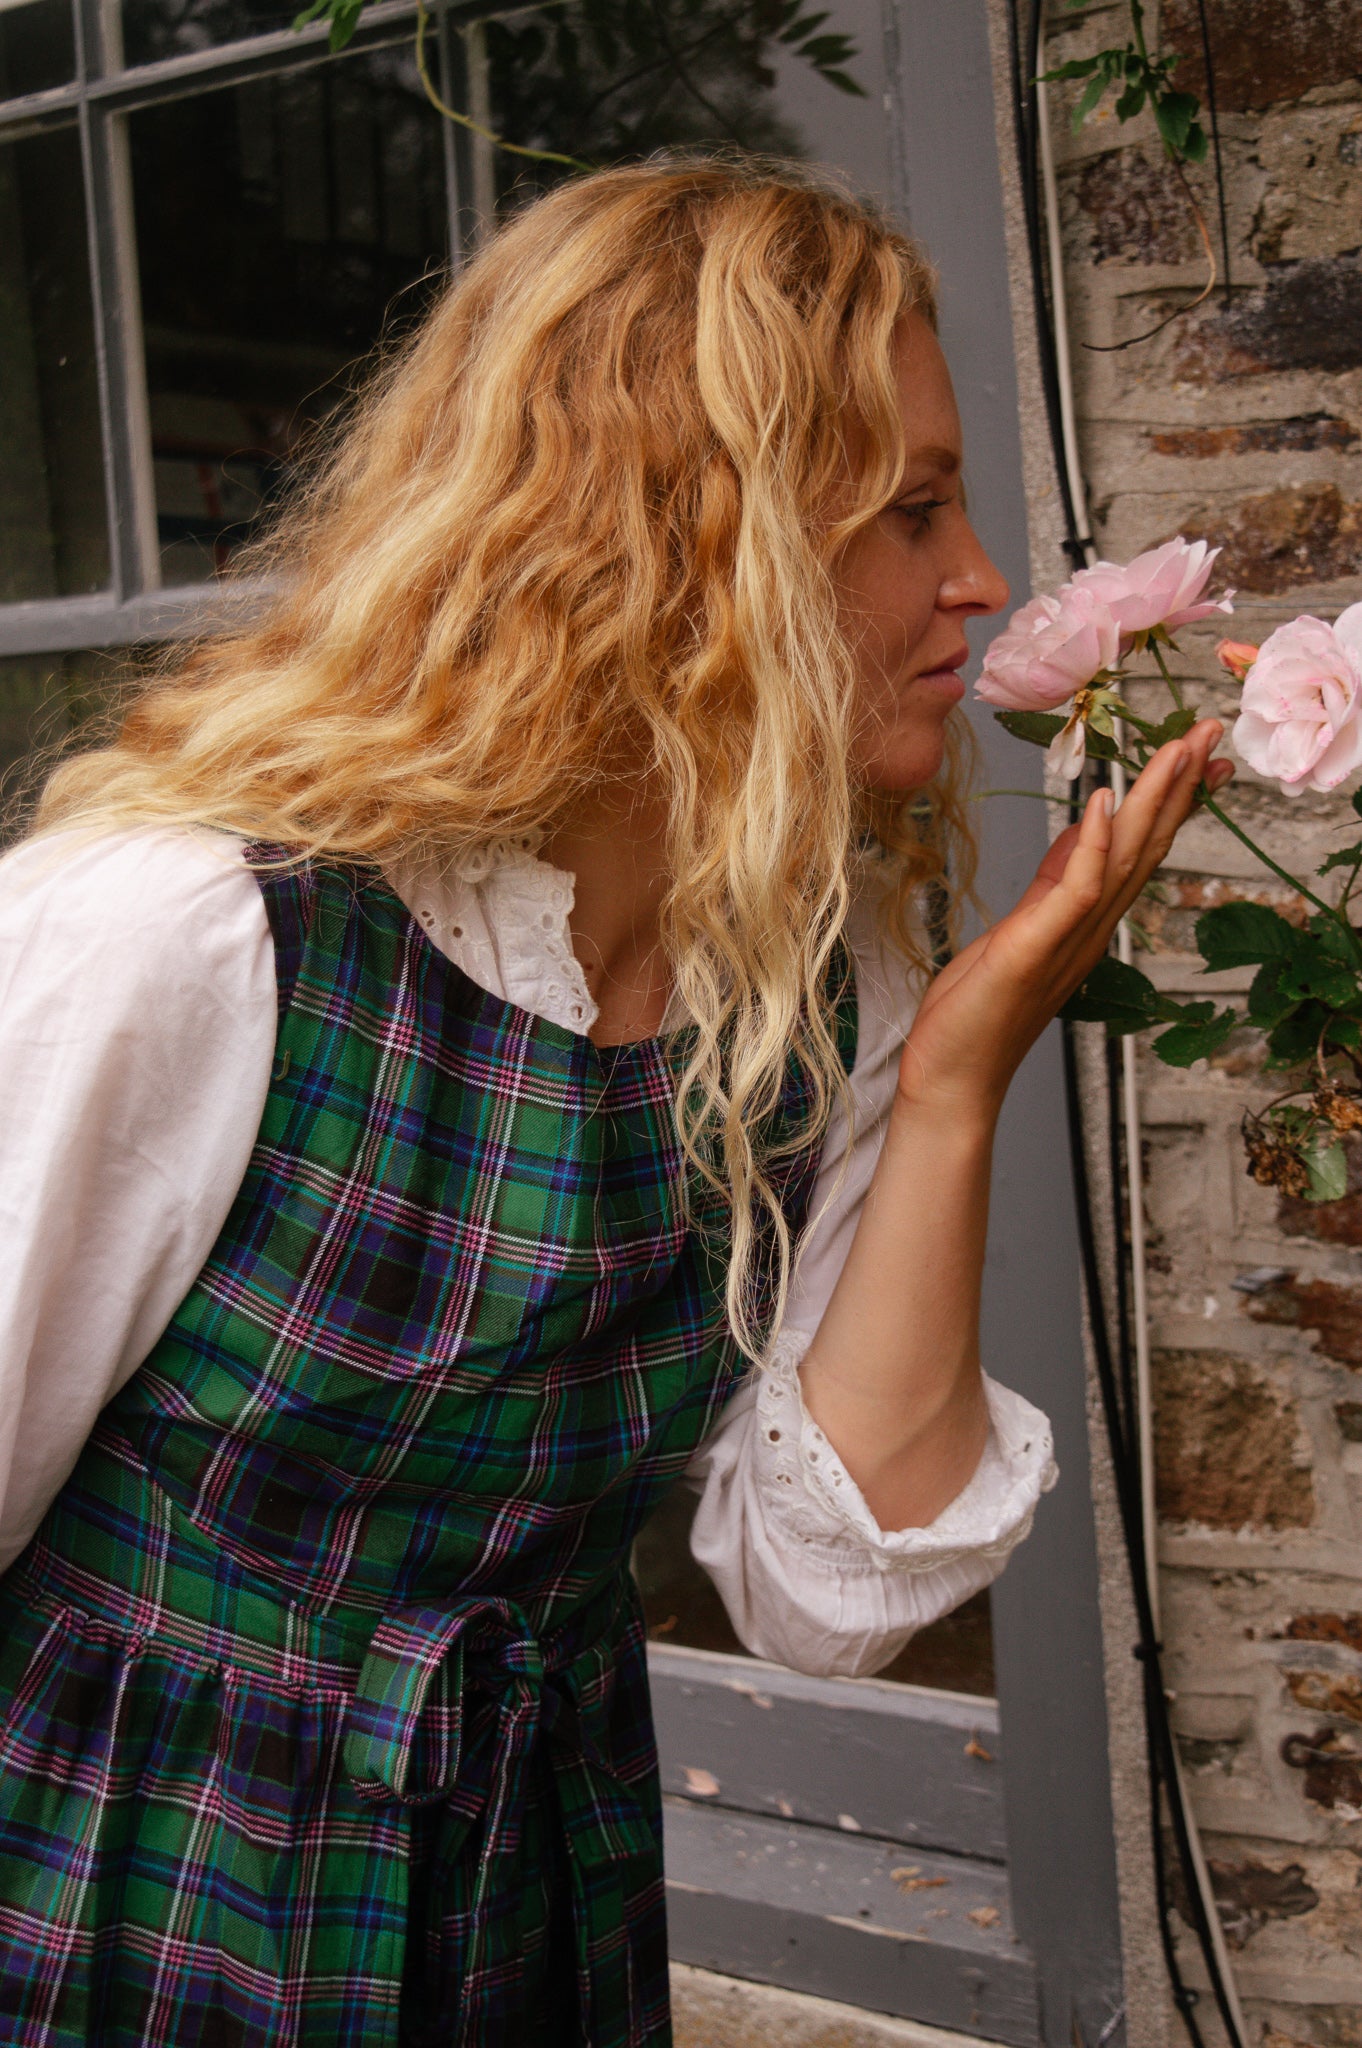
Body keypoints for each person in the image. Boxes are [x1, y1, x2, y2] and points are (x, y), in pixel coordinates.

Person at [0, 159, 1231, 2047]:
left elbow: (823, 1604)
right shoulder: (188, 931)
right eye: (910, 510)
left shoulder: (824, 987)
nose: (979, 581)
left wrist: (970, 1068)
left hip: (531, 1893)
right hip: (123, 1874)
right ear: (684, 544)